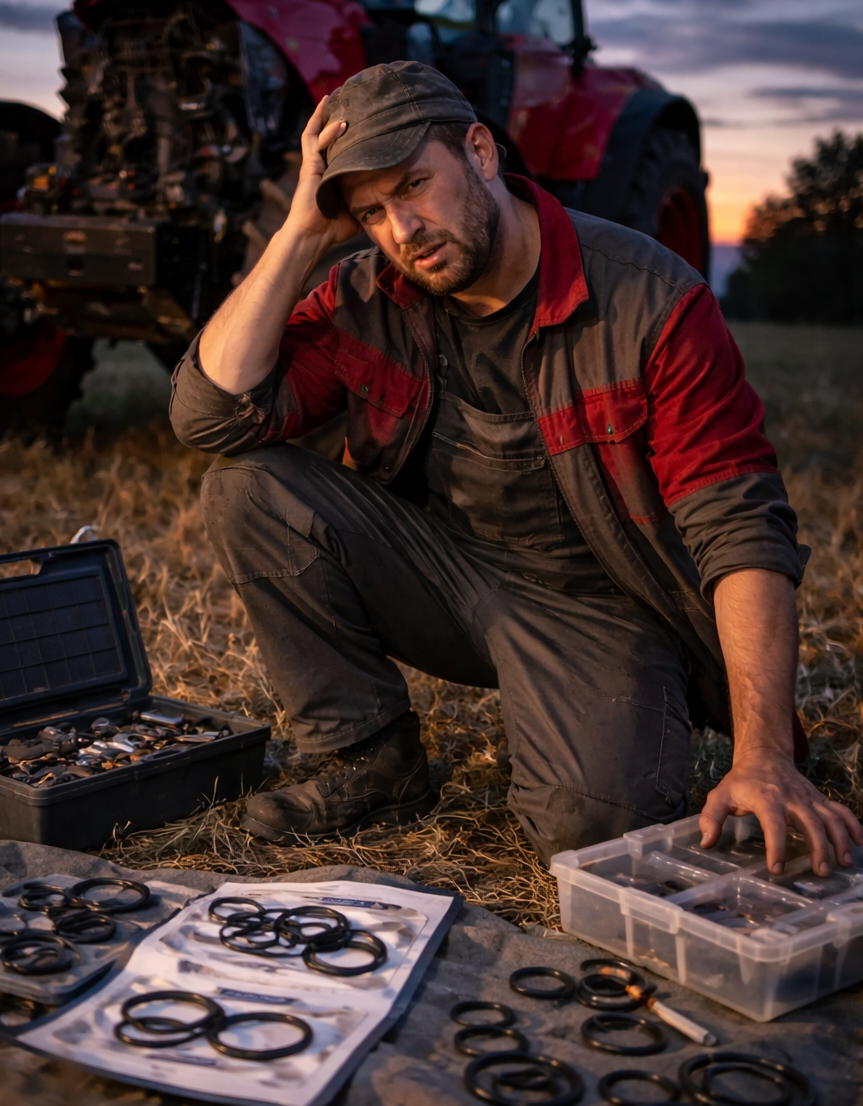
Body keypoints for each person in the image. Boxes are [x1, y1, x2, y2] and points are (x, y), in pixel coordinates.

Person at [170, 61, 862, 878]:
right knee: (248, 486)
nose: (402, 229)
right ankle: (367, 759)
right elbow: (210, 414)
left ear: (481, 153)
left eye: (415, 186)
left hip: (595, 607)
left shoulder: (648, 301)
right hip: (440, 574)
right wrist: (298, 239)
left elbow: (740, 530)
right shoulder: (368, 292)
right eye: (371, 213)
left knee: (592, 835)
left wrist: (765, 757)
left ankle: (609, 726)